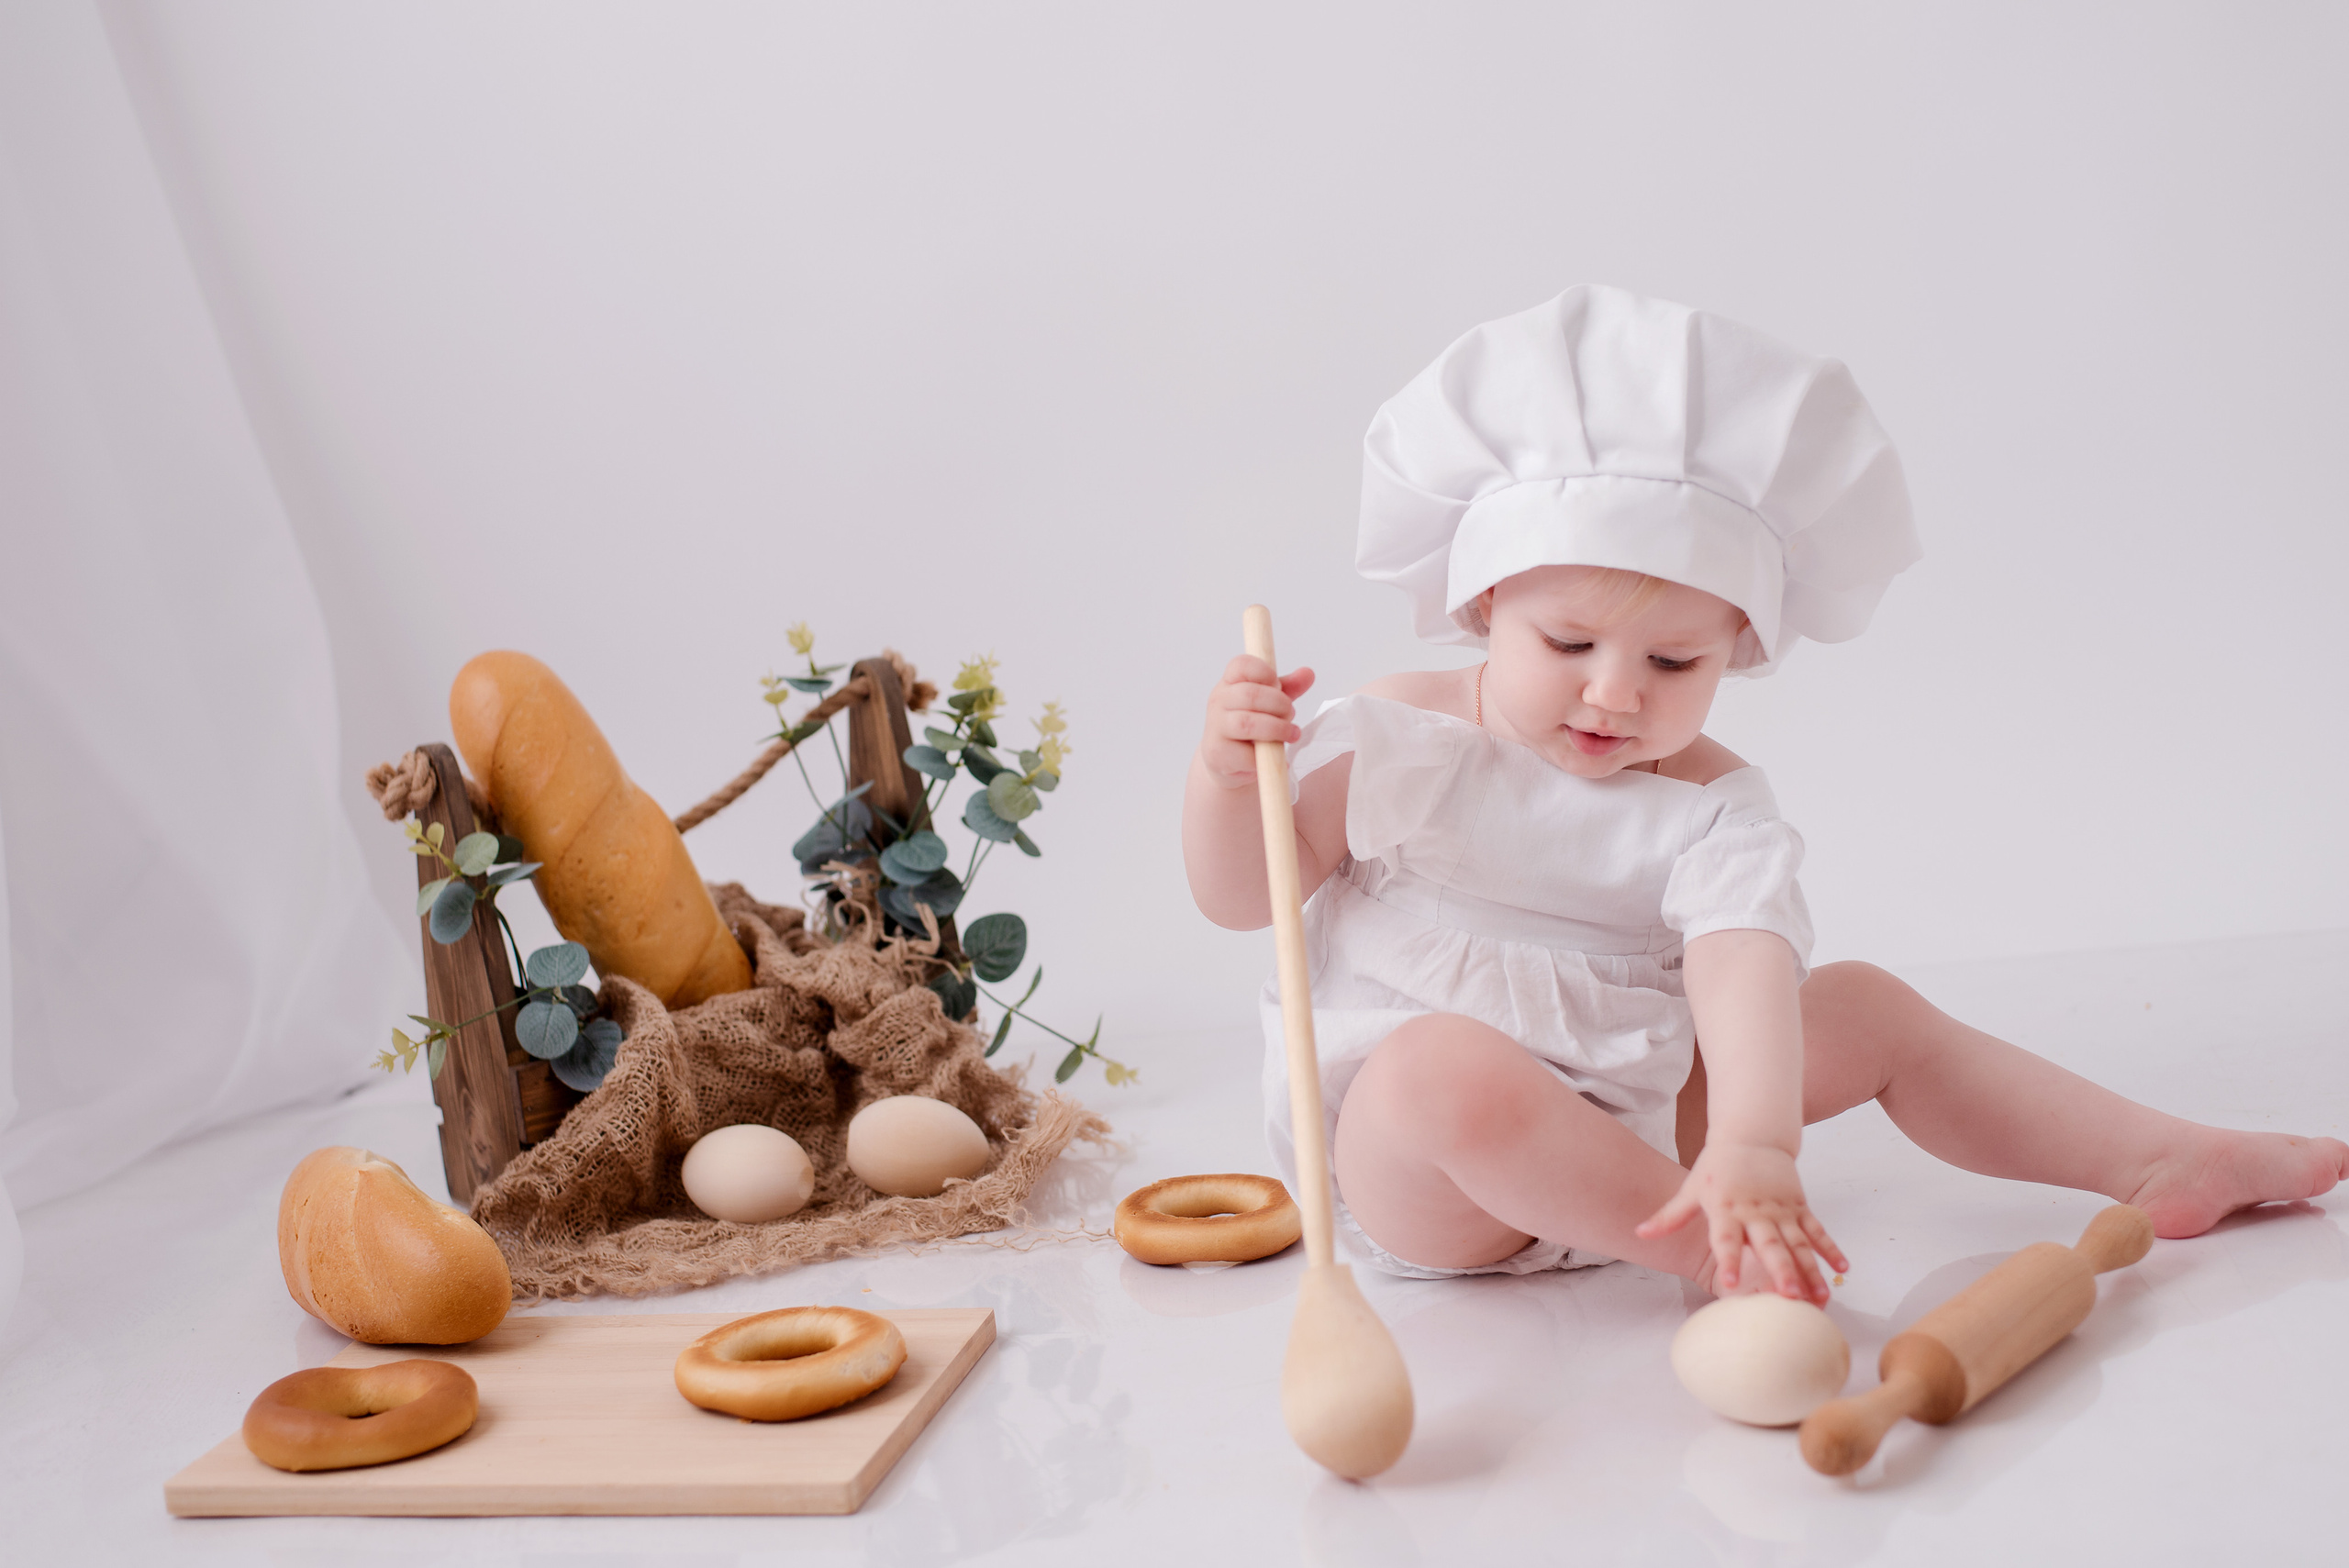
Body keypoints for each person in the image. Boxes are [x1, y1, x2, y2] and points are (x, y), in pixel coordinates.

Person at [1181, 285, 2346, 1303]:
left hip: (1638, 1134)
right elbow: (1245, 898)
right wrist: (1227, 778)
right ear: (1485, 602)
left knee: (1868, 1008)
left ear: (1738, 649)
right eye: (1568, 641)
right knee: (1438, 1069)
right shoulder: (1411, 737)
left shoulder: (1710, 805)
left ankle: (2157, 1155)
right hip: (1431, 1179)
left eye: (1672, 661)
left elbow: (1739, 968)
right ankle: (1714, 1253)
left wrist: (1751, 1143)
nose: (1613, 694)